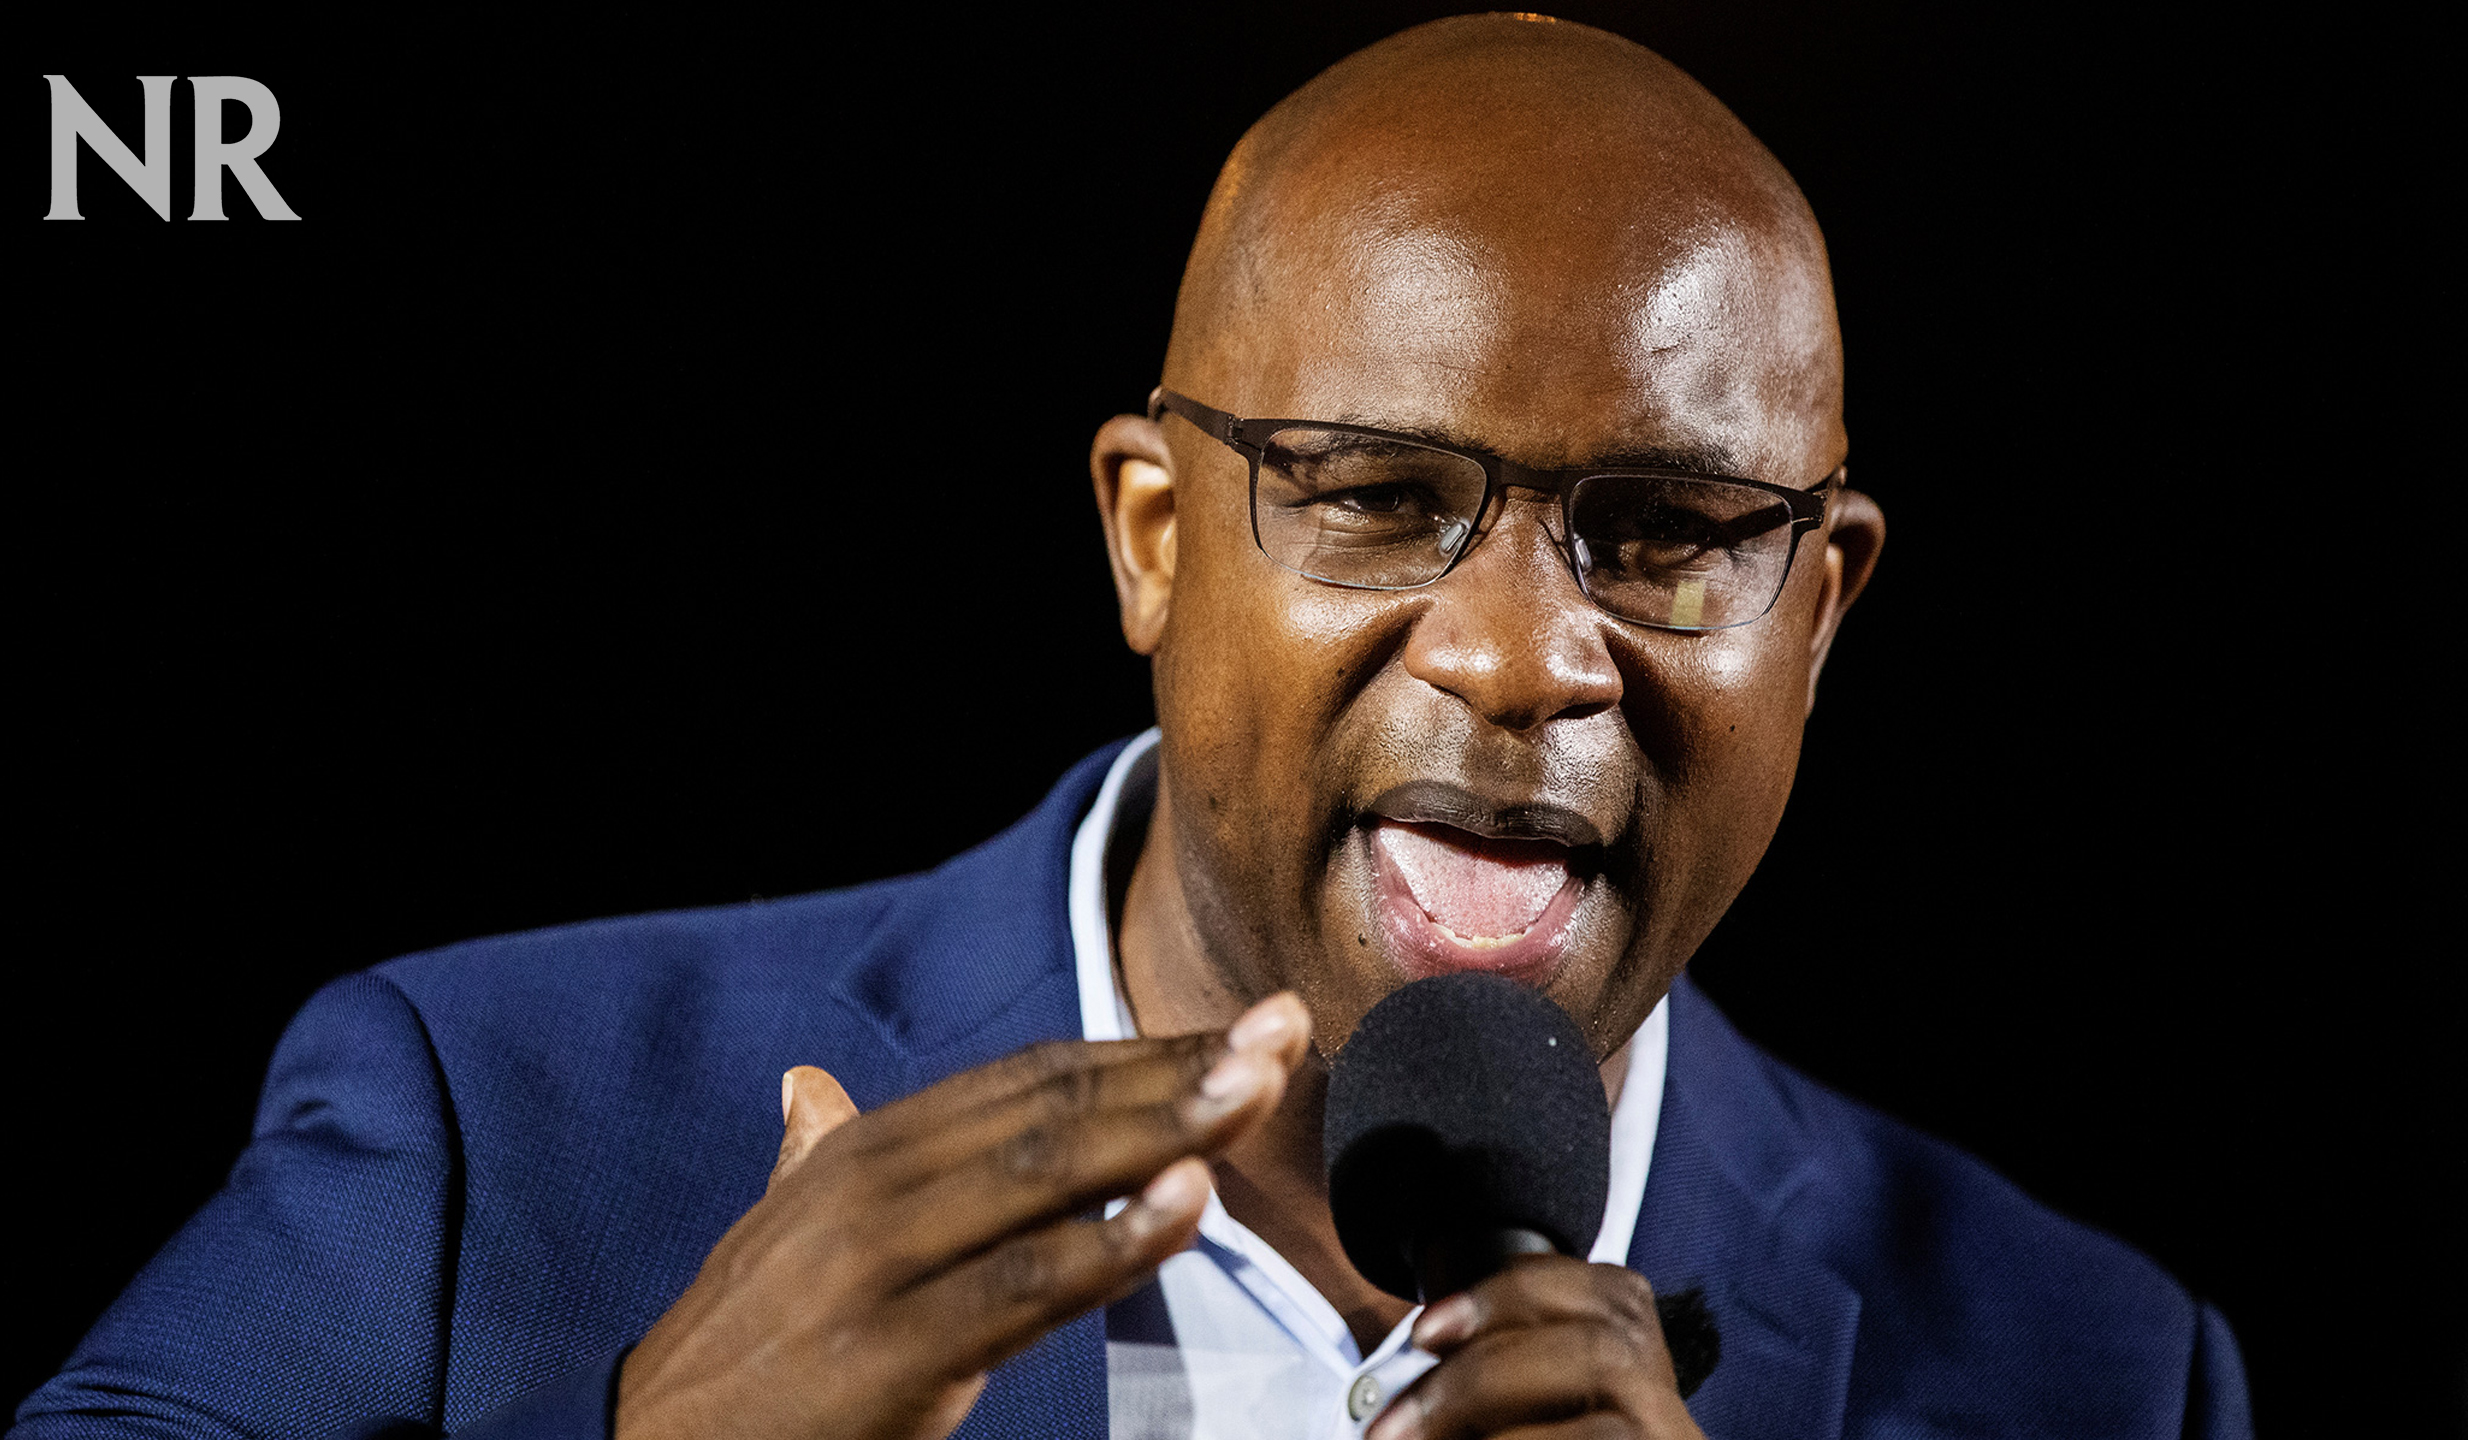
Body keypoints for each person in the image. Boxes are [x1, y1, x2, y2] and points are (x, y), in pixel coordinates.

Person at [14, 15, 2250, 1440]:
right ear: (1154, 542)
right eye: (1375, 500)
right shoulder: (489, 1125)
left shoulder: (2101, 1373)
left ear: (1818, 610)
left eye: (1667, 534)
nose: (1518, 660)